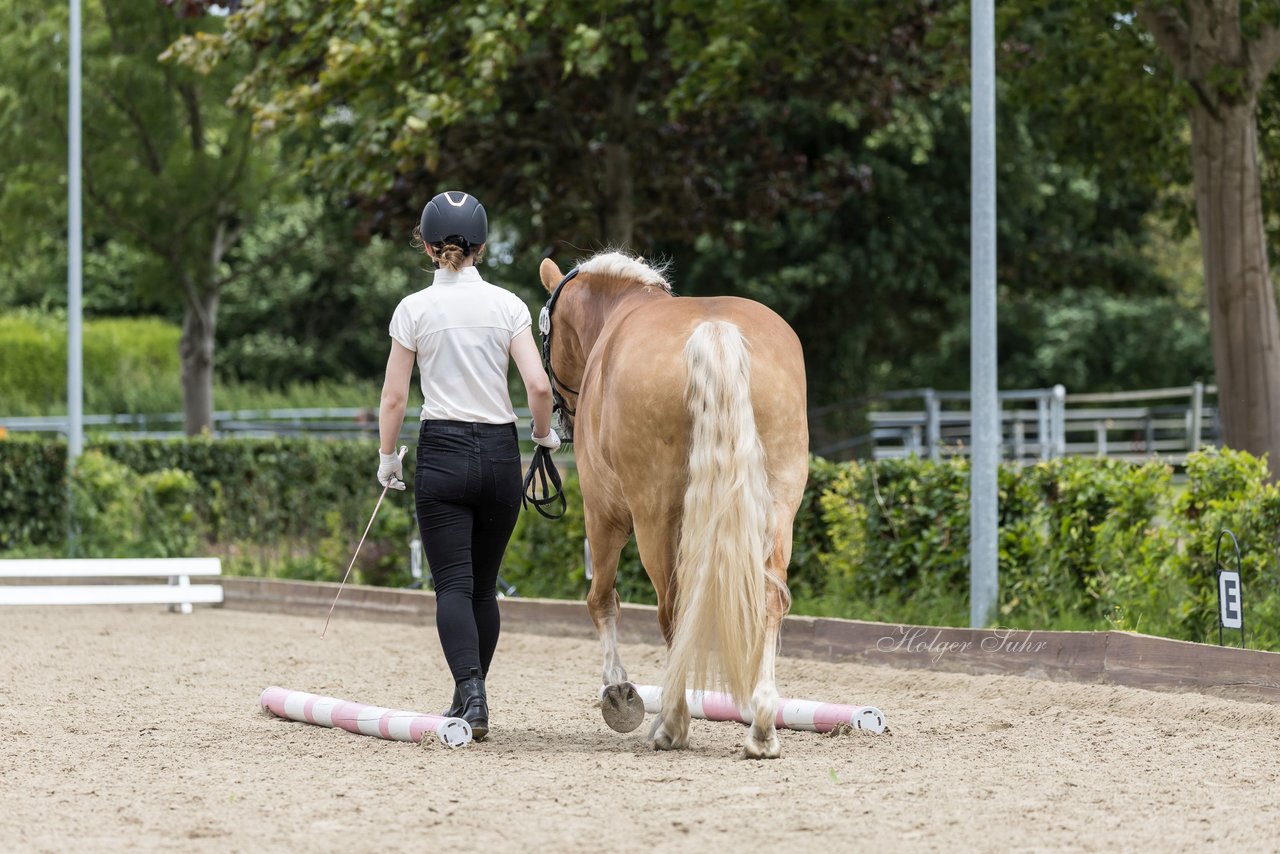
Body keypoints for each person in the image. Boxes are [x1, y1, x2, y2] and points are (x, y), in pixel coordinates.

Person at [376, 190, 559, 741]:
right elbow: (538, 385)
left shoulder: (413, 309)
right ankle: (469, 695)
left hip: (443, 453)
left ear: (429, 247)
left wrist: (388, 460)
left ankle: (472, 697)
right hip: (501, 455)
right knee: (482, 588)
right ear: (481, 247)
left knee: (451, 585)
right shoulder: (508, 306)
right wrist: (544, 439)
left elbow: (393, 397)